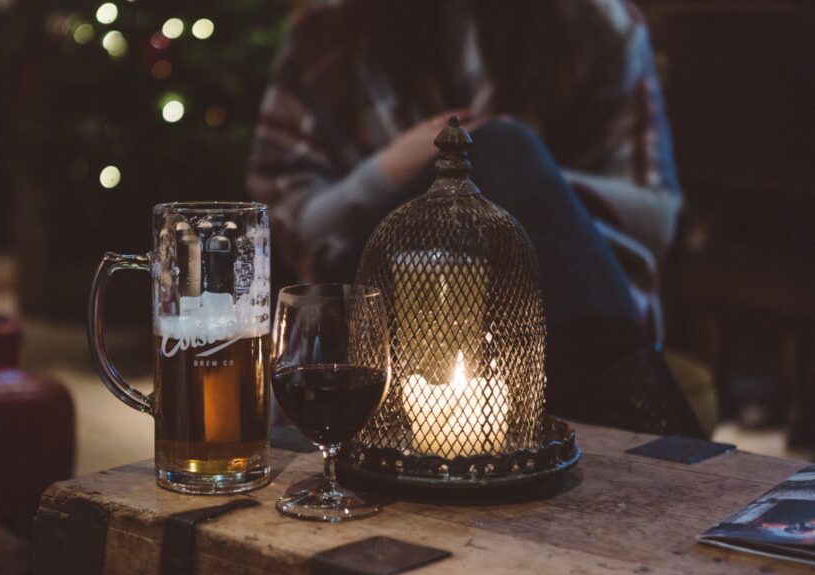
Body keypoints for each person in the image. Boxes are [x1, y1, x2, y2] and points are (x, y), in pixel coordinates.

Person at [248, 0, 704, 436]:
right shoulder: (332, 25)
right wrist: (388, 169)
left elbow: (656, 214)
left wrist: (526, 177)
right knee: (500, 149)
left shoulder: (599, 21)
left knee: (503, 148)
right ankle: (657, 431)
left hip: (544, 305)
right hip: (377, 305)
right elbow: (289, 222)